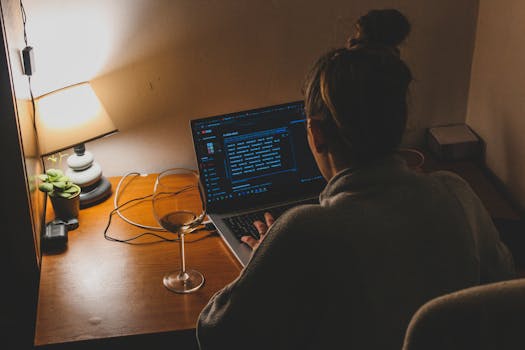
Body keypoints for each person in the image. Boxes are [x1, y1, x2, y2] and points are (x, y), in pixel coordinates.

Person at [197, 9, 515, 349]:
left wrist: (259, 262)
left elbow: (215, 333)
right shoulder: (457, 193)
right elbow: (505, 293)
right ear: (400, 120)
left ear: (316, 133)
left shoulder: (302, 230)